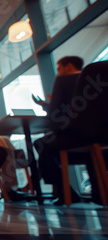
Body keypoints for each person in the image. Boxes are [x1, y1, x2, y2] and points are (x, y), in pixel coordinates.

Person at [33, 56, 89, 205]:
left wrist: (48, 105)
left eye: (59, 69)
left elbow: (54, 114)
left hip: (76, 137)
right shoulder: (95, 81)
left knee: (41, 145)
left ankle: (66, 192)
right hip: (101, 136)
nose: (57, 73)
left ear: (69, 66)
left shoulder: (63, 81)